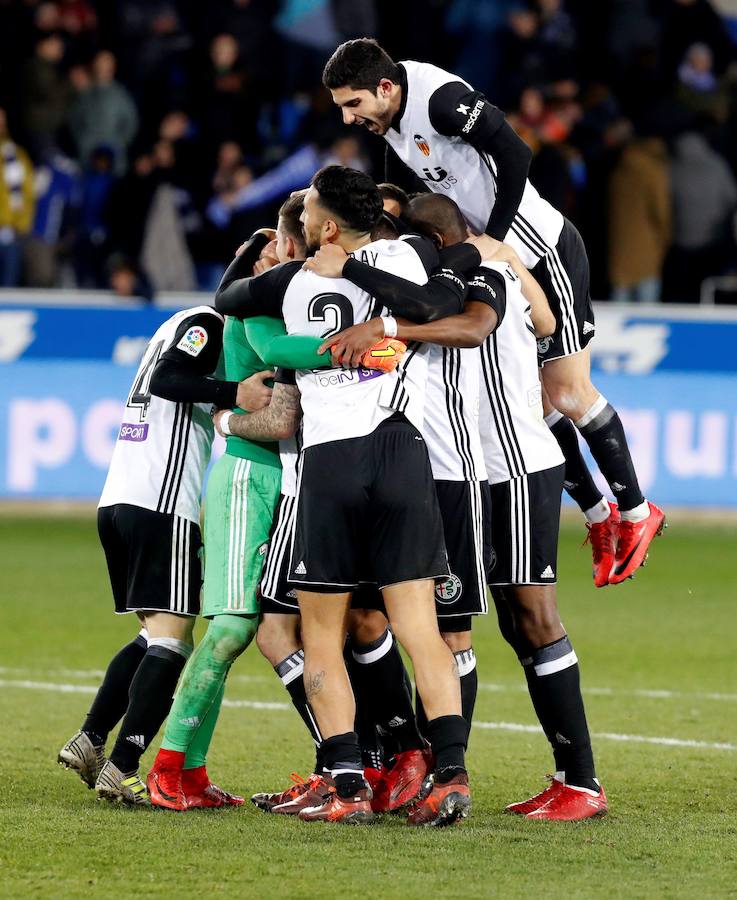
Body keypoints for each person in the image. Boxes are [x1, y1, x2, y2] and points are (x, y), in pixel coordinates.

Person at [322, 37, 665, 587]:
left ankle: (638, 512)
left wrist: (495, 240)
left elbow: (516, 153)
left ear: (384, 88)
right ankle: (600, 517)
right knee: (533, 406)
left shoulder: (437, 100)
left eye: (352, 103)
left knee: (567, 393)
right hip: (502, 263)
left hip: (543, 252)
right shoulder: (391, 126)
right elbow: (408, 195)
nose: (347, 116)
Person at [313, 192, 608, 820]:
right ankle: (443, 771)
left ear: (433, 244)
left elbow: (484, 328)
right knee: (453, 627)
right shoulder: (455, 279)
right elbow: (549, 322)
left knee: (531, 618)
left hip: (507, 468)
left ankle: (578, 780)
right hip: (453, 473)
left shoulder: (480, 275)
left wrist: (390, 326)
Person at [215, 165, 473, 827]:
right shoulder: (406, 254)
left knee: (321, 634)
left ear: (327, 225)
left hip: (330, 461)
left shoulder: (292, 279)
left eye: (306, 220)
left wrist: (275, 260)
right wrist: (354, 271)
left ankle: (348, 783)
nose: (298, 231)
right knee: (418, 627)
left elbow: (229, 299)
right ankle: (448, 773)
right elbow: (422, 306)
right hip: (399, 450)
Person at [57, 305, 269, 804]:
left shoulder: (172, 323)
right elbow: (170, 378)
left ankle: (90, 739)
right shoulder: (207, 322)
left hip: (120, 499)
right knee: (173, 644)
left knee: (153, 635)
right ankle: (124, 765)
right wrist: (233, 393)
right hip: (161, 503)